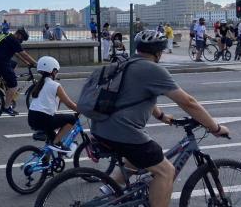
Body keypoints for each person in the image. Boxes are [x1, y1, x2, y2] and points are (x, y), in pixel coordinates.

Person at [92, 31, 230, 207]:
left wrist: (162, 116)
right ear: (158, 52)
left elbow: (138, 96)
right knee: (166, 171)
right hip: (121, 131)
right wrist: (215, 128)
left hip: (101, 127)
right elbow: (188, 102)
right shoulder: (152, 69)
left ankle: (112, 189)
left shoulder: (125, 64)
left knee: (141, 153)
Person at [28, 56, 78, 150]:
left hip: (31, 118)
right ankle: (56, 144)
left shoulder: (39, 84)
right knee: (71, 119)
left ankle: (46, 160)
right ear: (53, 71)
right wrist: (82, 109)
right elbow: (69, 104)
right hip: (43, 119)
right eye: (57, 71)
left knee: (51, 136)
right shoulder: (55, 85)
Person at [0, 28, 37, 116]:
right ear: (19, 35)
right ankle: (6, 108)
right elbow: (24, 53)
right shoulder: (13, 40)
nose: (21, 41)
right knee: (14, 85)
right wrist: (36, 64)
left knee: (14, 64)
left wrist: (26, 62)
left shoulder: (8, 37)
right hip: (0, 63)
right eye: (22, 39)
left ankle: (5, 83)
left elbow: (16, 53)